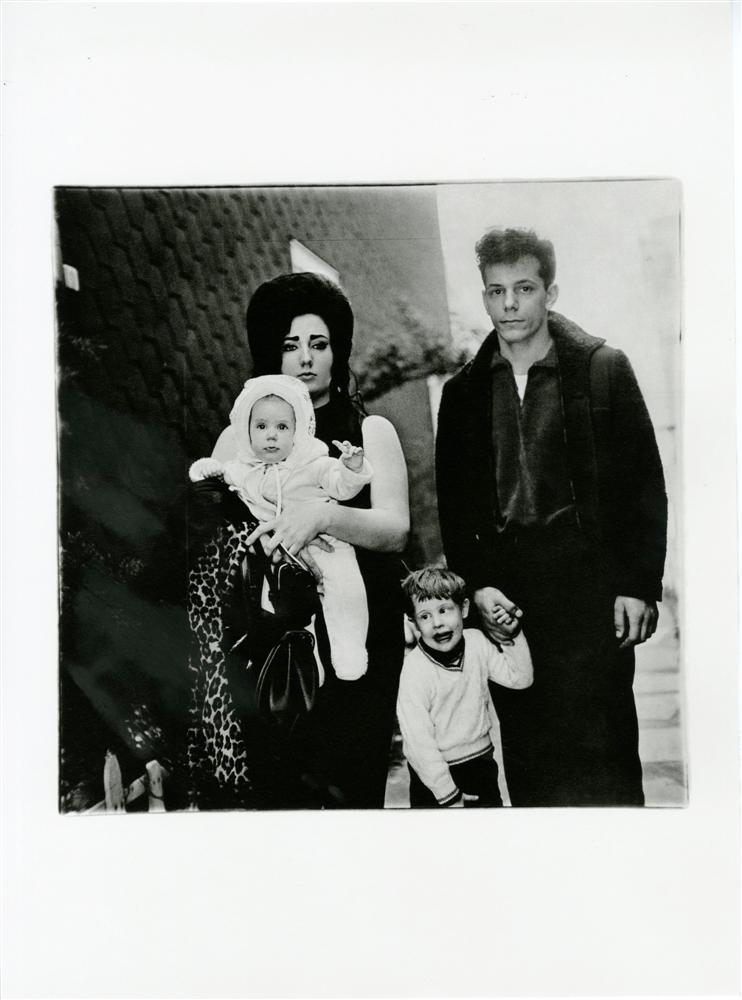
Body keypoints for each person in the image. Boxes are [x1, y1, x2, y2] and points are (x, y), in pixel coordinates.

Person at [435, 227, 667, 807]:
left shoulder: (602, 370)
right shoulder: (463, 393)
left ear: (550, 292)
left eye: (524, 288)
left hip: (590, 594)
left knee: (607, 759)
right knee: (534, 764)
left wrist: (638, 585)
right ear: (484, 297)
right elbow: (455, 504)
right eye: (495, 292)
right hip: (511, 603)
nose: (509, 304)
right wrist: (478, 584)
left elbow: (644, 485)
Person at [189, 272, 409, 809]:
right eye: (290, 346)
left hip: (356, 640)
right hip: (272, 644)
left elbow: (396, 529)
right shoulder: (239, 437)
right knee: (282, 798)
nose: (306, 359)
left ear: (338, 351)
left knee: (350, 794)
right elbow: (217, 539)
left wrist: (322, 516)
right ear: (272, 353)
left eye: (319, 344)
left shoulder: (370, 430)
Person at [189, 373, 373, 681]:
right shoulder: (243, 469)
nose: (271, 435)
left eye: (282, 427)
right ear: (246, 432)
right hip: (273, 555)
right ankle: (303, 665)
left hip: (322, 543)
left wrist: (352, 468)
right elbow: (216, 479)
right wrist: (207, 470)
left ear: (298, 432)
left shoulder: (314, 463)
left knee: (346, 587)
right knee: (277, 611)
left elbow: (341, 487)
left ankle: (350, 648)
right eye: (261, 427)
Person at [396, 567, 532, 808]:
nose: (437, 623)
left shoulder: (477, 642)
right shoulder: (415, 669)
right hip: (434, 780)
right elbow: (418, 742)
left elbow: (520, 679)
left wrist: (514, 636)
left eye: (444, 610)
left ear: (465, 609)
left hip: (481, 767)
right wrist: (448, 795)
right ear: (413, 622)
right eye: (425, 616)